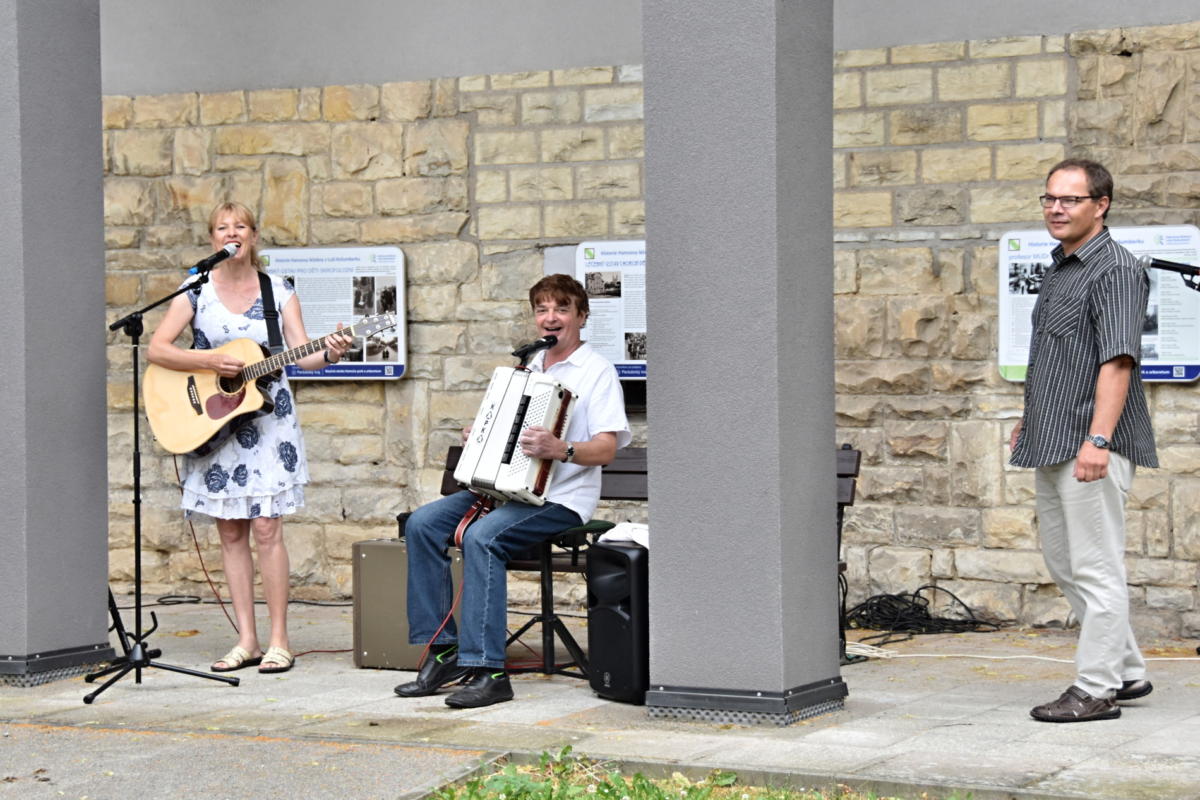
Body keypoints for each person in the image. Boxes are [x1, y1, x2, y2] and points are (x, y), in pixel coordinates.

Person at [395, 274, 631, 708]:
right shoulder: (526, 367)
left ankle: (489, 671)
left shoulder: (597, 372)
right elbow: (503, 431)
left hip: (561, 501)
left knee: (483, 538)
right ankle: (445, 652)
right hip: (506, 492)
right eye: (542, 309)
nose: (550, 317)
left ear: (581, 316)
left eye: (561, 308)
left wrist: (561, 448)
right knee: (422, 524)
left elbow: (607, 448)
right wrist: (478, 435)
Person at [148, 202, 352, 675]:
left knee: (267, 527)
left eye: (239, 226)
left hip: (269, 421)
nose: (231, 233)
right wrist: (208, 363)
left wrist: (333, 352)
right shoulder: (196, 288)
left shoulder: (277, 291)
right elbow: (158, 348)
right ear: (212, 240)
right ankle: (247, 640)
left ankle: (280, 640)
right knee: (231, 530)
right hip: (217, 423)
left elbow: (304, 358)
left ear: (254, 236)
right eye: (222, 227)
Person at [1010, 159, 1158, 723]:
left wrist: (1099, 438)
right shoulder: (1061, 267)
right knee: (1065, 562)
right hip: (1052, 435)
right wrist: (1031, 414)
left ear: (1101, 205)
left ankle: (1096, 688)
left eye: (1070, 200)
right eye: (1049, 198)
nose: (1056, 208)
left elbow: (1116, 363)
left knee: (1096, 568)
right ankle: (1127, 670)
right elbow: (1057, 355)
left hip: (1091, 444)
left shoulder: (1115, 269)